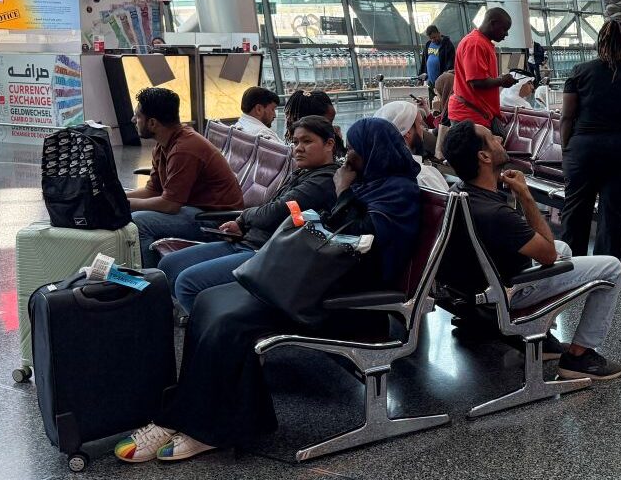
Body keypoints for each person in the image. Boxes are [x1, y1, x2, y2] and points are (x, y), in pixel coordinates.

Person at [113, 118, 421, 463]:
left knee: (230, 321)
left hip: (345, 303)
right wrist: (345, 191)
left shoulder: (399, 192)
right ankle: (185, 415)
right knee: (209, 301)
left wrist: (344, 190)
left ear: (375, 152)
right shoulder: (371, 183)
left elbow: (365, 242)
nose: (348, 157)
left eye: (354, 150)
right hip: (318, 285)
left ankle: (207, 428)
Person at [442, 120, 621, 380]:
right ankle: (579, 356)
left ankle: (541, 337)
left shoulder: (460, 192)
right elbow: (547, 253)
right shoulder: (494, 213)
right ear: (483, 156)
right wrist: (526, 197)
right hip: (508, 292)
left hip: (477, 289)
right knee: (611, 268)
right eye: (490, 138)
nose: (498, 137)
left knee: (563, 247)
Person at [157, 116, 339, 313]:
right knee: (169, 265)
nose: (298, 148)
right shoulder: (304, 172)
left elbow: (275, 212)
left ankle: (215, 327)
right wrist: (243, 224)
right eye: (295, 142)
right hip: (247, 240)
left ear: (329, 144)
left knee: (187, 283)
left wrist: (244, 218)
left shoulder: (324, 180)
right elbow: (272, 210)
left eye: (307, 141)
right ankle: (206, 315)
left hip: (266, 252)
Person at [559, 19, 621, 259]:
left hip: (583, 150)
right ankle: (605, 272)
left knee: (575, 213)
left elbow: (566, 117)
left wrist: (567, 149)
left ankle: (571, 270)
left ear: (599, 40)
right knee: (613, 216)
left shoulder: (579, 72)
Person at [126, 88, 243, 268]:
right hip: (192, 208)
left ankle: (152, 283)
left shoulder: (184, 149)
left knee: (139, 221)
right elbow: (153, 190)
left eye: (138, 116)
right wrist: (119, 197)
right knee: (126, 209)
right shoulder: (163, 145)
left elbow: (170, 205)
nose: (134, 120)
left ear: (152, 123)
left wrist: (123, 203)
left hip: (215, 220)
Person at [449, 7, 519, 133]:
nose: (506, 34)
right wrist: (502, 81)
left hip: (480, 115)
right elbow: (477, 82)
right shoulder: (475, 44)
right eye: (504, 29)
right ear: (493, 23)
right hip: (471, 118)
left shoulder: (481, 42)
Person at [376, 100, 449, 191]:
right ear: (408, 132)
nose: (422, 129)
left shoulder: (377, 171)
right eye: (420, 124)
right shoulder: (423, 176)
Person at [418, 25, 456, 97]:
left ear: (439, 33)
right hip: (430, 82)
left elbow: (451, 62)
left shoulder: (447, 45)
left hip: (442, 82)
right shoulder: (428, 44)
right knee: (433, 103)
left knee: (442, 102)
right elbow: (424, 61)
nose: (433, 40)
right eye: (431, 38)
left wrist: (446, 75)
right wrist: (421, 76)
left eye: (434, 37)